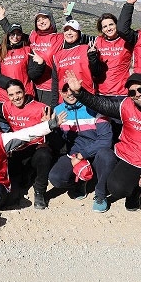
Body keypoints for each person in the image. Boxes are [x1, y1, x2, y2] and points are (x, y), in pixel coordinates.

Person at [65, 70, 141, 212]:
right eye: (132, 92)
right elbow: (100, 104)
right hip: (132, 159)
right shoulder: (126, 104)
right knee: (116, 188)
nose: (137, 94)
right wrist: (79, 92)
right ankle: (135, 190)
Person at [48, 83, 115, 212]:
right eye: (65, 90)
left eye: (72, 89)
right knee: (56, 178)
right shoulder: (57, 110)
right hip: (73, 154)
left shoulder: (96, 107)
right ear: (61, 94)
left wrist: (82, 155)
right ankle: (80, 181)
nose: (69, 93)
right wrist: (52, 128)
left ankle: (100, 194)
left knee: (107, 156)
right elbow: (58, 144)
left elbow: (105, 140)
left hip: (96, 153)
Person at [0, 79, 54, 209]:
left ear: (24, 91)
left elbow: (54, 134)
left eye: (18, 93)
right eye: (11, 95)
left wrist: (49, 125)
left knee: (44, 154)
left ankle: (40, 191)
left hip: (36, 149)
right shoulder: (6, 106)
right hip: (18, 151)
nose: (16, 97)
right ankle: (23, 179)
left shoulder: (41, 108)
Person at [50, 20, 99, 104]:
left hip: (86, 98)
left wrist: (93, 57)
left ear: (79, 33)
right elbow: (55, 83)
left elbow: (97, 73)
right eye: (66, 30)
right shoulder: (57, 56)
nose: (69, 33)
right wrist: (54, 104)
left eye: (73, 30)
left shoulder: (87, 49)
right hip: (65, 100)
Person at [92, 13, 135, 100]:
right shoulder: (96, 41)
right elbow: (75, 37)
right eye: (105, 26)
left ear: (116, 25)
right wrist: (68, 16)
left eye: (111, 24)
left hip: (122, 93)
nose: (108, 28)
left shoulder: (126, 40)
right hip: (101, 93)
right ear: (102, 30)